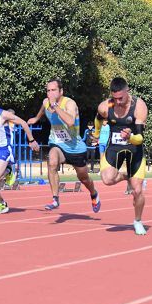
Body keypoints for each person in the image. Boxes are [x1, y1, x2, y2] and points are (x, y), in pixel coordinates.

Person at [26, 79, 100, 213]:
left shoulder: (70, 104)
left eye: (53, 90)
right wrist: (36, 118)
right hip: (57, 143)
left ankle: (94, 193)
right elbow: (43, 108)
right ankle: (55, 198)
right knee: (52, 161)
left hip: (75, 147)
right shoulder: (46, 101)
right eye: (48, 90)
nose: (50, 93)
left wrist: (56, 106)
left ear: (61, 91)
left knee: (83, 178)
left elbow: (70, 121)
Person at [94, 77, 149, 236]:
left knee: (137, 191)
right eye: (115, 98)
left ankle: (137, 221)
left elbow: (140, 138)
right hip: (115, 147)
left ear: (128, 91)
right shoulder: (106, 106)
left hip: (134, 147)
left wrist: (130, 137)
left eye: (121, 98)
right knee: (107, 179)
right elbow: (98, 119)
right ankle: (127, 177)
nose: (117, 102)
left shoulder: (138, 106)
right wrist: (96, 134)